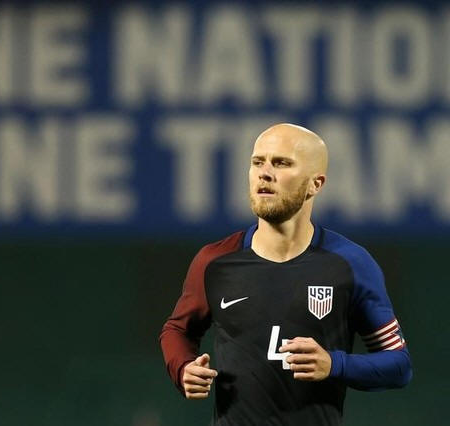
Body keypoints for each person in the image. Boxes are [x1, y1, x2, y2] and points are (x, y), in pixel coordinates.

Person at [159, 123, 412, 425]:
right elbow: (178, 329)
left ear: (315, 184)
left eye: (281, 163)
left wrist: (335, 364)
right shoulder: (215, 261)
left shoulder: (351, 264)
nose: (265, 173)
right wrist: (183, 368)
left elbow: (399, 365)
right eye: (258, 162)